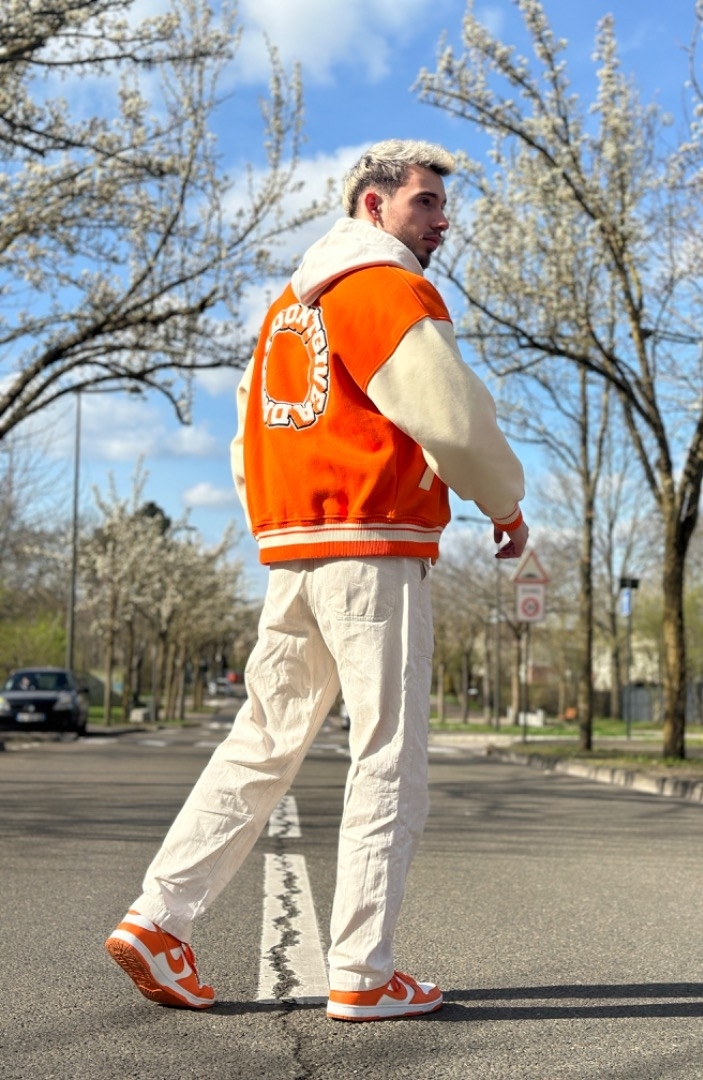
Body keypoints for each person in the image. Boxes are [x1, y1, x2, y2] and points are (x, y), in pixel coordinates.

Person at [105, 139, 529, 1022]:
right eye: (425, 203)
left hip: (294, 549)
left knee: (263, 738)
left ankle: (158, 917)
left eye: (442, 205)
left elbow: (244, 439)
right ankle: (363, 972)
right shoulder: (387, 290)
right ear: (373, 205)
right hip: (374, 547)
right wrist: (504, 500)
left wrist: (279, 521)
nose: (442, 221)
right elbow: (453, 418)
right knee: (387, 753)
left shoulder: (285, 311)